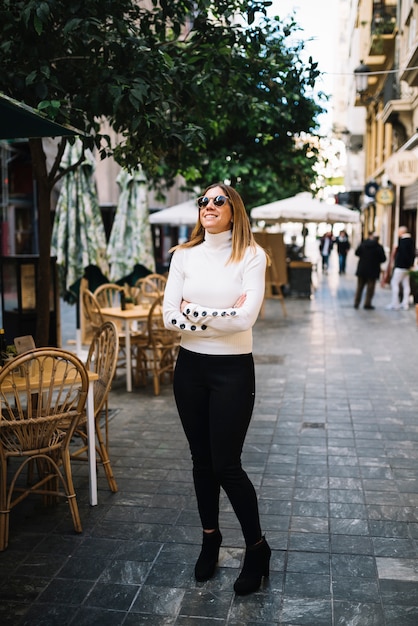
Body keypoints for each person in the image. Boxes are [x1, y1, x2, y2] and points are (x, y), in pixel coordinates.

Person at [163, 182, 271, 595]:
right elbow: (170, 315)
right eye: (203, 201)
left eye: (218, 200)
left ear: (234, 209)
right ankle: (211, 538)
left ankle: (257, 548)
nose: (209, 205)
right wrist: (216, 315)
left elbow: (245, 319)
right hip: (189, 368)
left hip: (232, 371)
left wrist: (197, 312)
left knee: (227, 464)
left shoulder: (252, 255)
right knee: (201, 461)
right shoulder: (184, 255)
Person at [384, 225, 416, 310]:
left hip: (401, 266)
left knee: (394, 283)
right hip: (407, 267)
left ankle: (395, 303)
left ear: (402, 232)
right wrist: (410, 264)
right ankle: (405, 303)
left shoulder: (403, 241)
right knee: (406, 284)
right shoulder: (411, 241)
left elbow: (404, 255)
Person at [354, 232, 386, 310]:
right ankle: (367, 303)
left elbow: (356, 253)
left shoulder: (363, 244)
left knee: (359, 287)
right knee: (370, 288)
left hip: (362, 269)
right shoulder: (379, 247)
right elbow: (383, 259)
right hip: (373, 270)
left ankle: (356, 302)